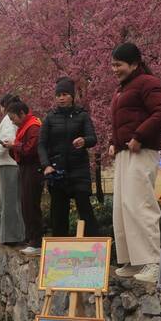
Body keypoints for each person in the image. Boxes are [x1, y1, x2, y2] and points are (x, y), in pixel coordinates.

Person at [108, 43, 161, 283]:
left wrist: (139, 136)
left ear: (134, 64)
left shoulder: (147, 82)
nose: (114, 69)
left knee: (140, 204)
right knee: (122, 207)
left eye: (119, 65)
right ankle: (133, 260)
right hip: (124, 153)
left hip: (141, 150)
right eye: (113, 64)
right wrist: (113, 141)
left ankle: (153, 260)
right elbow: (121, 121)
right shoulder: (121, 90)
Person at [38, 77, 99, 237]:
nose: (61, 98)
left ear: (72, 96)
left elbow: (93, 138)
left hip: (79, 170)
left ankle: (93, 250)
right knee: (58, 214)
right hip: (57, 171)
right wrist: (46, 165)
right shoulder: (50, 117)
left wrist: (84, 141)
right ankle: (58, 253)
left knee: (85, 211)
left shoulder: (82, 115)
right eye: (58, 95)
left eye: (65, 94)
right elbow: (42, 144)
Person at [3, 100, 43, 256]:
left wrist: (14, 146)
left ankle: (36, 241)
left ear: (22, 114)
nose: (13, 122)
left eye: (13, 118)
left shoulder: (33, 126)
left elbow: (30, 149)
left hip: (33, 169)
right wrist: (12, 148)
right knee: (26, 204)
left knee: (31, 204)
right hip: (26, 168)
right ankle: (31, 239)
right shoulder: (23, 128)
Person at [0, 94, 25, 245]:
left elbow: (8, 138)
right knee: (14, 201)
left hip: (7, 163)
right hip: (11, 163)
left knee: (9, 201)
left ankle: (11, 236)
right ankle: (18, 234)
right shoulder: (15, 117)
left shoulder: (8, 120)